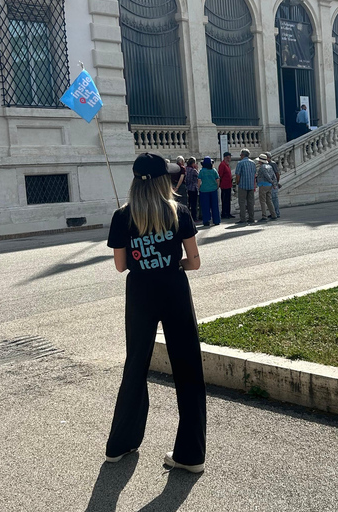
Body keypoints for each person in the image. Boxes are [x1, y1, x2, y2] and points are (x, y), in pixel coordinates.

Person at [105, 152, 206, 474]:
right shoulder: (180, 212)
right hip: (174, 288)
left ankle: (120, 444)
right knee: (188, 367)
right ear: (164, 180)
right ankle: (191, 456)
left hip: (141, 292)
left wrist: (142, 258)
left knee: (135, 364)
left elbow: (121, 266)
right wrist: (172, 262)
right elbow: (194, 261)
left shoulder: (122, 216)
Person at [197, 157, 221, 226]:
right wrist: (217, 187)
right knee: (215, 206)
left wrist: (199, 188)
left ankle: (206, 220)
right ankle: (216, 220)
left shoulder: (202, 171)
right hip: (213, 189)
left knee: (205, 206)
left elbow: (199, 181)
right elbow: (218, 179)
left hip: (204, 190)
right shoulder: (214, 170)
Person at [235, 149, 256, 223]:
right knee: (250, 202)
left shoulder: (240, 163)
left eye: (240, 155)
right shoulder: (253, 163)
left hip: (243, 185)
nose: (240, 156)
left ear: (243, 155)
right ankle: (251, 217)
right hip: (251, 185)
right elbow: (254, 174)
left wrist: (237, 182)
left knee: (242, 202)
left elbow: (238, 175)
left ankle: (243, 218)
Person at [255, 153, 277, 220]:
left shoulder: (262, 167)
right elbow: (273, 176)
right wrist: (273, 183)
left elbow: (266, 176)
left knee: (263, 201)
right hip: (269, 185)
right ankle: (273, 214)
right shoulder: (269, 166)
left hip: (263, 184)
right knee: (269, 200)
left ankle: (264, 215)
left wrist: (272, 182)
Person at [218, 152, 235, 219]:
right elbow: (220, 175)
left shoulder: (227, 165)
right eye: (228, 157)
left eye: (229, 157)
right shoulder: (222, 165)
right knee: (224, 200)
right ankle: (224, 213)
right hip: (224, 186)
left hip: (228, 185)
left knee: (228, 200)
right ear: (225, 157)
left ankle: (228, 212)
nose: (229, 159)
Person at [265, 152, 281, 218]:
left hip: (273, 184)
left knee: (274, 199)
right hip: (269, 184)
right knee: (270, 199)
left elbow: (277, 174)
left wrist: (276, 183)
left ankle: (276, 213)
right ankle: (273, 212)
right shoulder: (267, 164)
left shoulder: (272, 164)